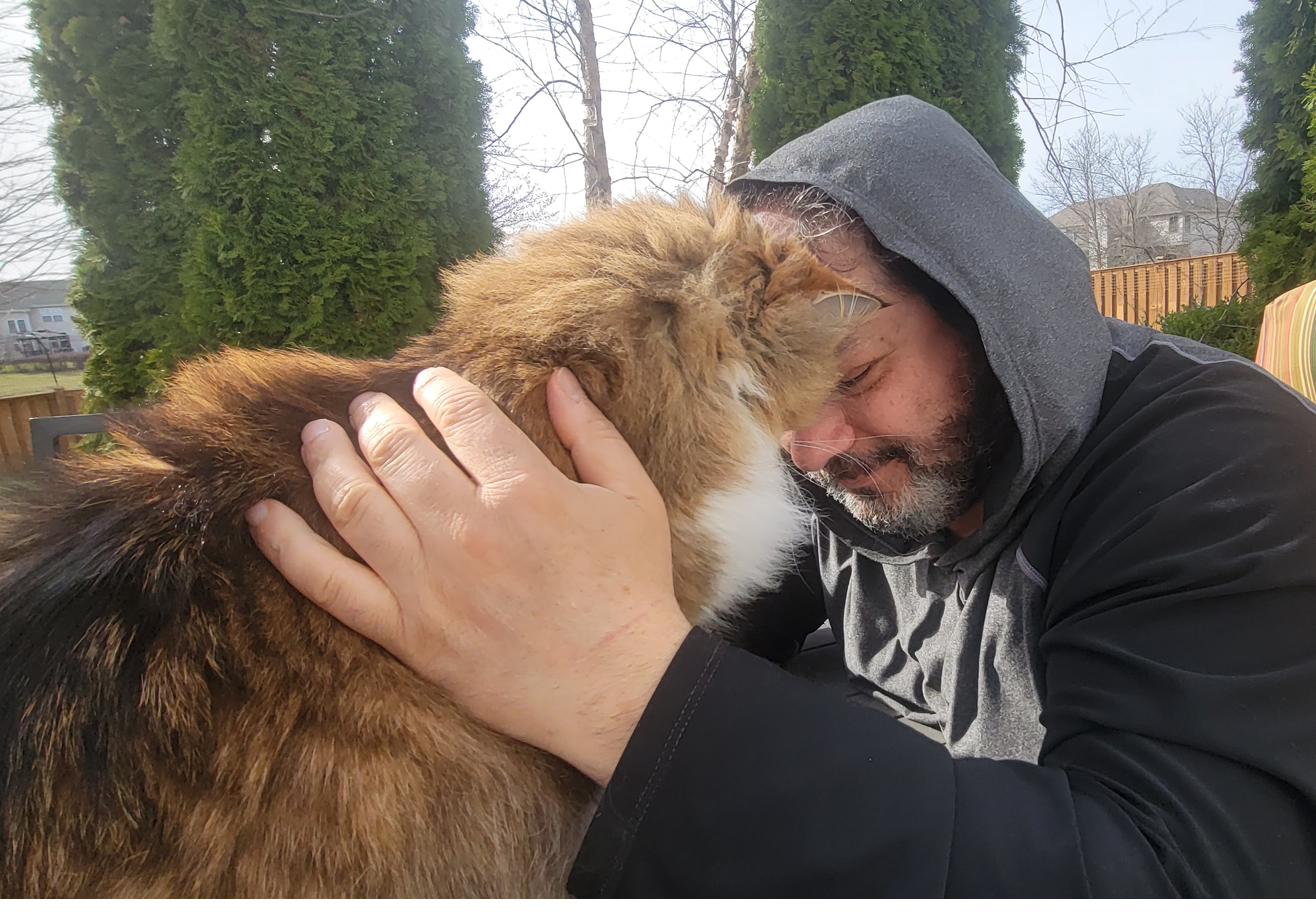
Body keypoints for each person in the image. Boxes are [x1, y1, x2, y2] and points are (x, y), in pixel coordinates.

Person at [244, 97, 1316, 897]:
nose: (811, 445)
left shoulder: (1221, 465)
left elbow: (1177, 876)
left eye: (854, 372)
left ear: (993, 311)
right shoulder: (870, 474)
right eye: (774, 401)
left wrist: (629, 692)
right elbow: (728, 630)